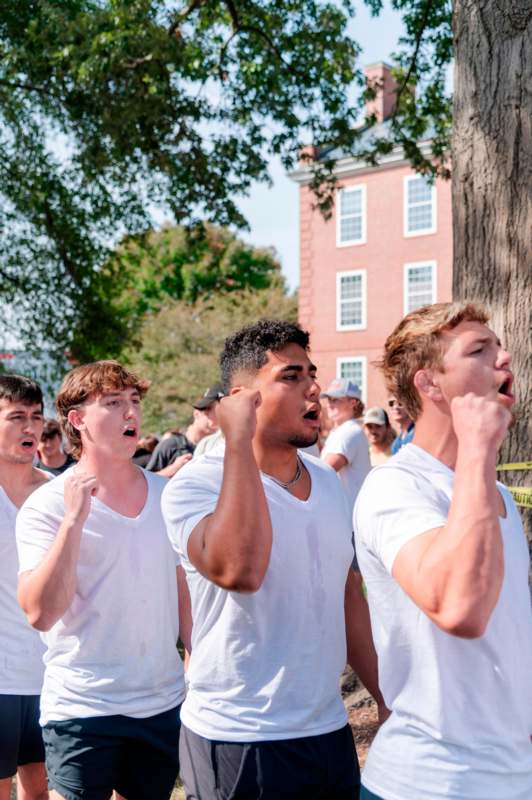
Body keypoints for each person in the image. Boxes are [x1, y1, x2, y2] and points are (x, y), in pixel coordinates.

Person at [162, 320, 386, 800]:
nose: (314, 388)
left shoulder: (327, 481)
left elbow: (346, 595)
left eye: (312, 373)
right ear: (242, 398)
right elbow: (241, 570)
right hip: (239, 738)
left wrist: (388, 702)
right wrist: (238, 442)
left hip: (327, 730)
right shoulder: (194, 485)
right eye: (291, 376)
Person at [354, 302, 532, 800]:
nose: (505, 358)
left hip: (513, 778)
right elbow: (461, 610)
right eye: (480, 349)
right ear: (430, 385)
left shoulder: (493, 496)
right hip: (429, 784)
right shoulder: (394, 486)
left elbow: (506, 634)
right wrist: (477, 449)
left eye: (499, 345)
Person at [16, 360, 190, 800]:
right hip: (81, 706)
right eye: (113, 403)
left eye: (134, 402)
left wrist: (199, 674)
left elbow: (184, 598)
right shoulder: (47, 506)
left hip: (161, 703)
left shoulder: (169, 497)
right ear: (77, 420)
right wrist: (73, 521)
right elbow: (40, 612)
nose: (130, 413)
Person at [0, 375, 49, 800]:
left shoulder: (56, 494)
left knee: (45, 792)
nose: (30, 427)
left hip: (53, 676)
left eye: (35, 417)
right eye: (16, 417)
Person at [147, 384, 224, 476]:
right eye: (206, 410)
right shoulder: (170, 445)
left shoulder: (217, 448)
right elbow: (146, 481)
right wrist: (173, 469)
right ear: (196, 414)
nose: (211, 415)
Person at [320, 379, 371, 510]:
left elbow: (323, 471)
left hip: (348, 518)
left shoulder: (349, 431)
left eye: (336, 400)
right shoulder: (341, 431)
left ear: (353, 402)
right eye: (329, 400)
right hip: (344, 516)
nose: (330, 404)